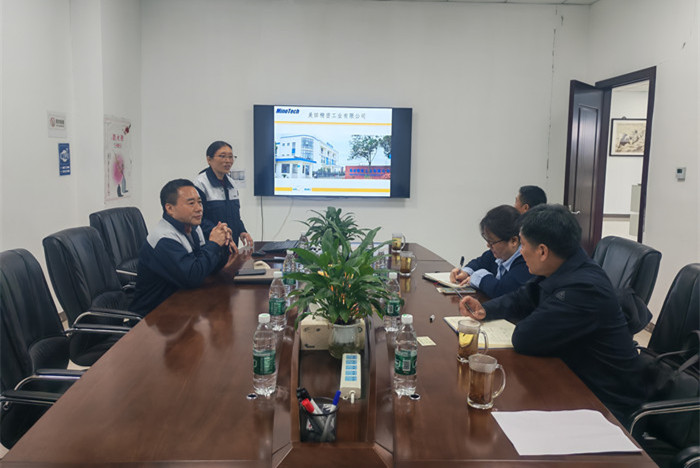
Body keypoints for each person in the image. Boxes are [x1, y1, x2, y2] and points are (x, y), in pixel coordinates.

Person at [459, 204, 646, 424]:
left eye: (523, 245)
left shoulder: (584, 289)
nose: (521, 252)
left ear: (542, 251)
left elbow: (525, 338)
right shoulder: (564, 264)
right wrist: (486, 309)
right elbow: (524, 296)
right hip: (572, 378)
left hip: (603, 403)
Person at [130, 179, 240, 316]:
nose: (199, 208)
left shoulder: (192, 228)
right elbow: (193, 277)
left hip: (181, 305)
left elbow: (207, 268)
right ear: (170, 208)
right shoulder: (164, 239)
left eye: (200, 202)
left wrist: (223, 245)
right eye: (191, 203)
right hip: (153, 318)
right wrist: (213, 244)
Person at [449, 205, 533, 298]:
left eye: (492, 242)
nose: (488, 245)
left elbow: (502, 291)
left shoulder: (526, 262)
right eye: (488, 241)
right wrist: (465, 272)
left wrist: (479, 278)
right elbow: (479, 262)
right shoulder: (499, 254)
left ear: (513, 241)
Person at [194, 140, 253, 247]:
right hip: (211, 245)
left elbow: (235, 216)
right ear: (209, 159)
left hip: (231, 243)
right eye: (222, 156)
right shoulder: (200, 183)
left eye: (230, 157)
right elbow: (198, 219)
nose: (228, 161)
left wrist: (242, 231)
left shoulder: (231, 182)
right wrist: (222, 233)